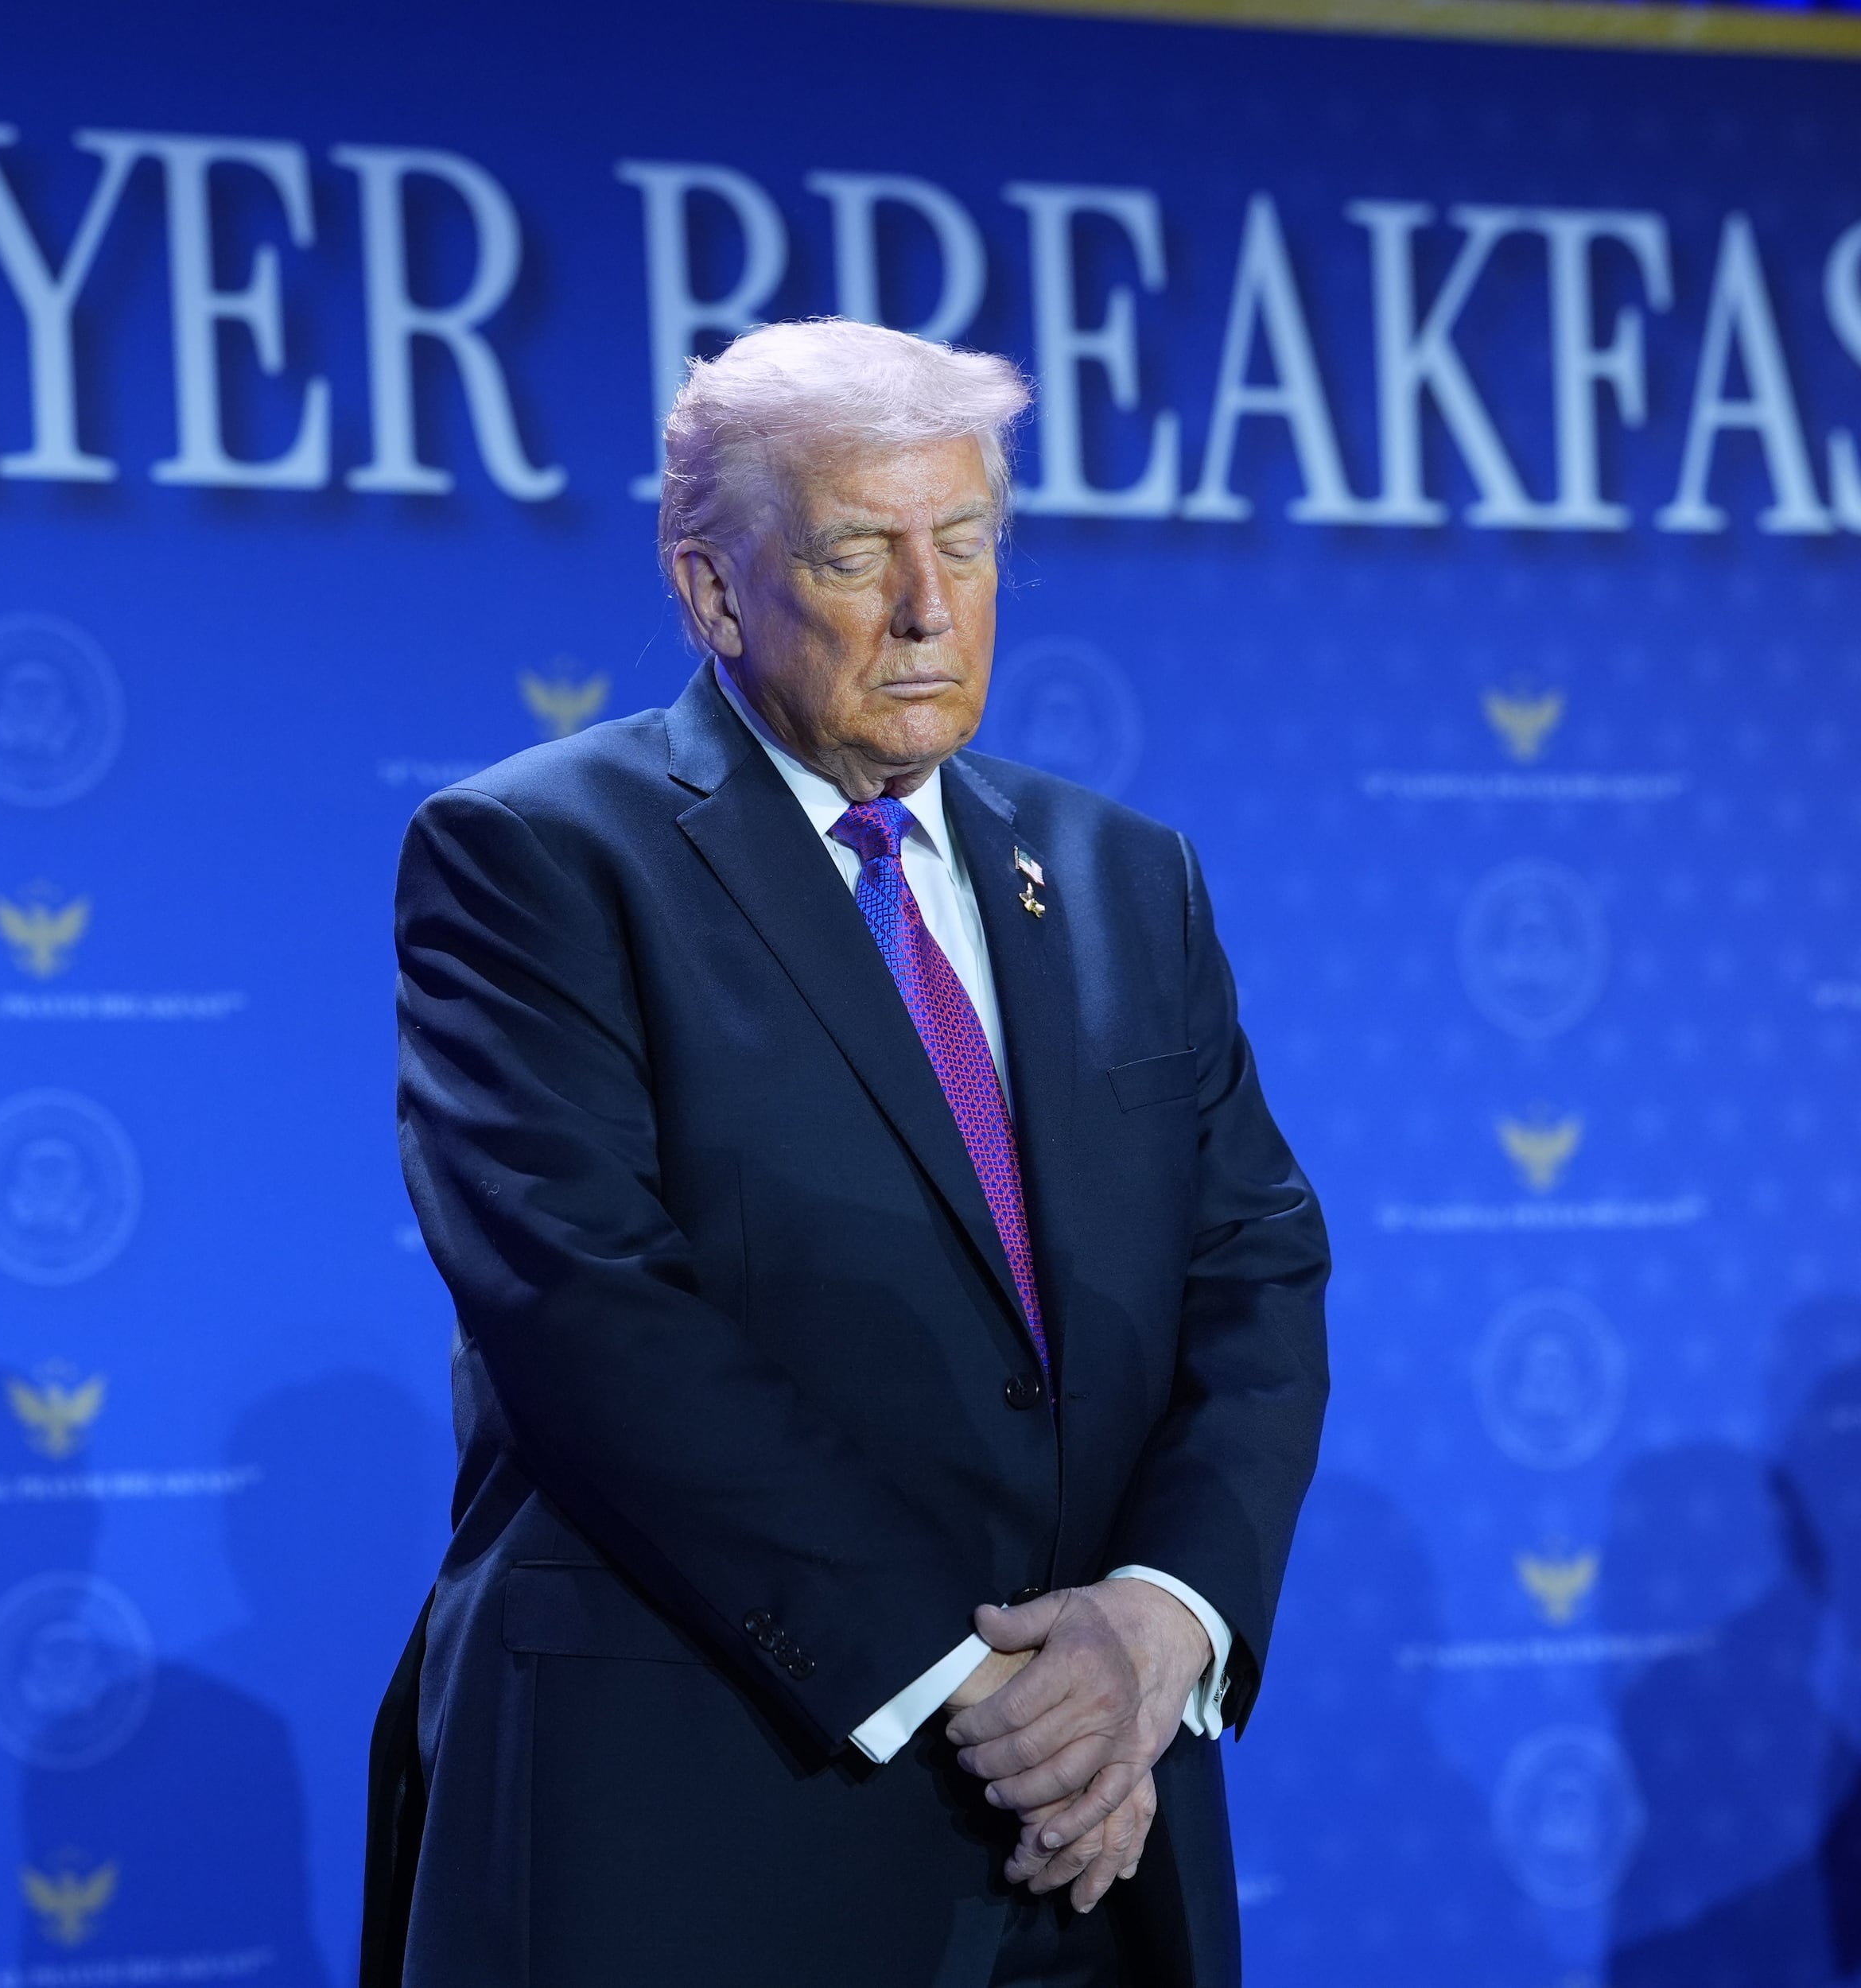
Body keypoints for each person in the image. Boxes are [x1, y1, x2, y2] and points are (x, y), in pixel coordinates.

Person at [368, 318, 1330, 1987]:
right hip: (713, 1819)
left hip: (1095, 1831)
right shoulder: (537, 859)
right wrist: (980, 1689)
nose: (926, 607)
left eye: (964, 543)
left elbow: (1254, 1269)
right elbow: (591, 1314)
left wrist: (1163, 1617)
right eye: (856, 551)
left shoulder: (1123, 876)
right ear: (714, 589)